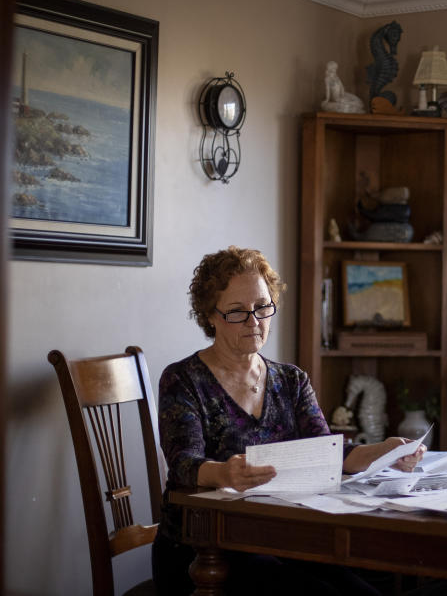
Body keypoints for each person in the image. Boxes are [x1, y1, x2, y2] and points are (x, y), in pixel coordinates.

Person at [152, 246, 424, 596]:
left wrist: (383, 452)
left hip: (282, 538)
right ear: (210, 316)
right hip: (202, 551)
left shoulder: (292, 380)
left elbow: (327, 452)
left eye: (263, 307)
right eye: (237, 312)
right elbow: (183, 464)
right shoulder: (182, 379)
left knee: (367, 587)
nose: (254, 322)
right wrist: (225, 473)